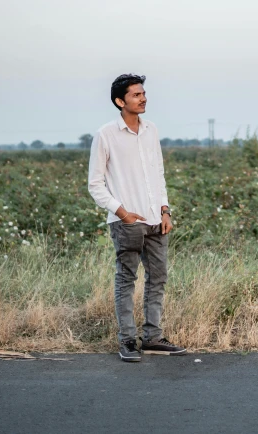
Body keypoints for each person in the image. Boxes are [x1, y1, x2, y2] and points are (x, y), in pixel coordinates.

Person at [87, 73, 186, 361]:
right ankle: (127, 341)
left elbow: (158, 174)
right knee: (126, 280)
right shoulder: (105, 134)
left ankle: (153, 338)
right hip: (127, 222)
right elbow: (95, 184)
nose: (143, 98)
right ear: (120, 101)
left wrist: (165, 210)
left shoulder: (151, 130)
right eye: (136, 95)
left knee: (158, 278)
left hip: (157, 221)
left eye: (143, 93)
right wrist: (122, 213)